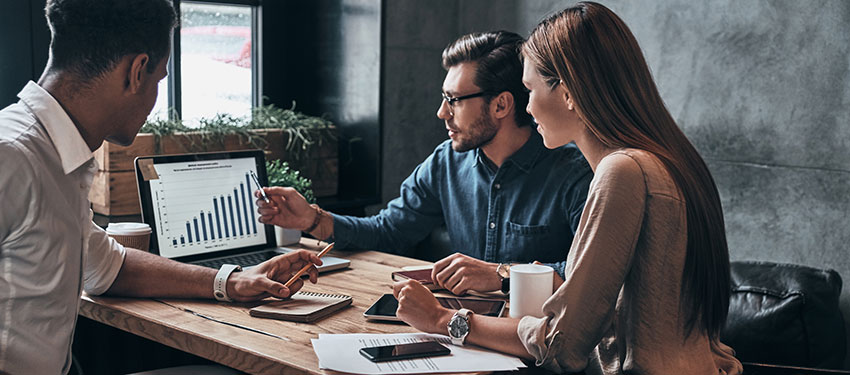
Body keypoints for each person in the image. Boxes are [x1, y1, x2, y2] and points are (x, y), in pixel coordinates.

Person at [392, 3, 744, 374]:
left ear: (569, 91)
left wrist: (442, 319)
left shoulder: (622, 171)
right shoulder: (668, 159)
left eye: (529, 89)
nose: (526, 108)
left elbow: (562, 344)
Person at [0, 1, 322, 374]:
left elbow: (109, 267)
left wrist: (234, 282)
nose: (155, 100)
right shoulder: (12, 157)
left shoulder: (55, 155)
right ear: (137, 71)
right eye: (159, 79)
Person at [257, 31, 592, 295]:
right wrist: (312, 218)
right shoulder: (446, 162)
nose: (441, 112)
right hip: (458, 331)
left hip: (536, 344)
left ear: (501, 106)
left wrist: (500, 273)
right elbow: (389, 231)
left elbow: (588, 276)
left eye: (454, 101)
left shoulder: (574, 174)